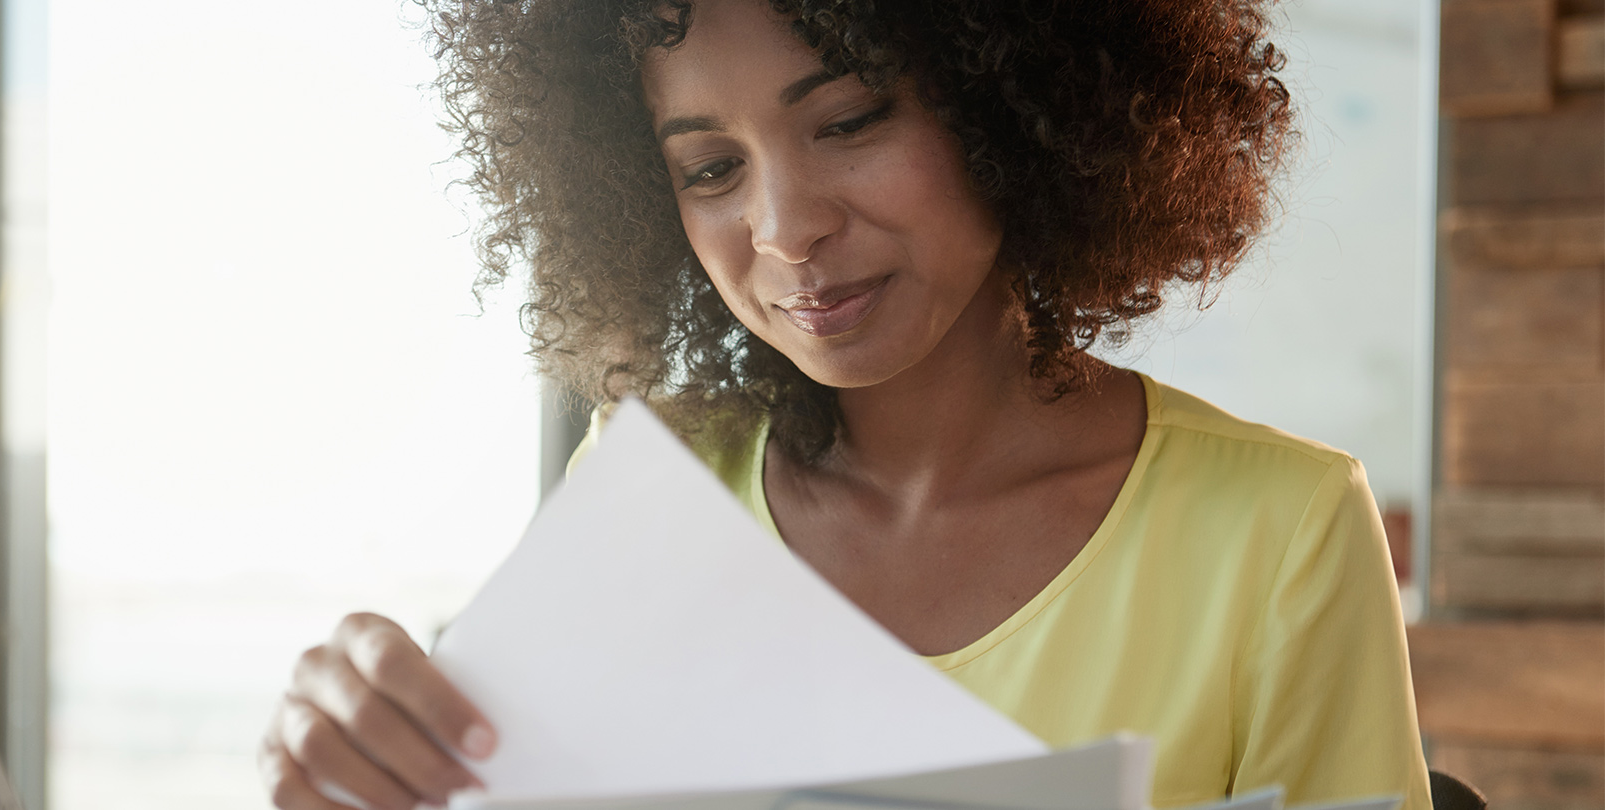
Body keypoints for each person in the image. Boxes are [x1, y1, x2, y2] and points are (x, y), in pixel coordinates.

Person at [264, 1, 1431, 808]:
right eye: (710, 169)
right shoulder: (650, 481)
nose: (784, 229)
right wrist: (361, 755)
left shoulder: (1282, 533)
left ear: (1009, 104)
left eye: (850, 121)